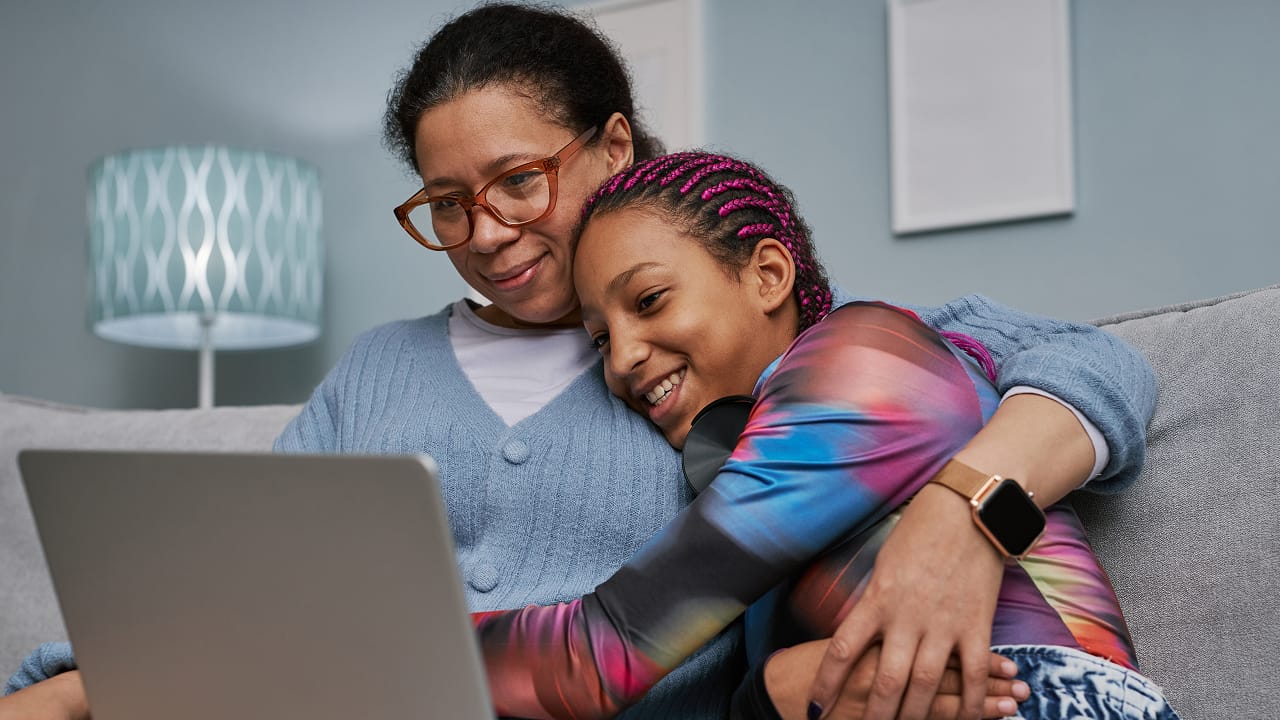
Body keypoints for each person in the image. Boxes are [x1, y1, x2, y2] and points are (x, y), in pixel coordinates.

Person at [0, 4, 1156, 719]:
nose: (489, 230)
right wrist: (81, 674)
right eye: (447, 205)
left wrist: (965, 514)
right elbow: (239, 582)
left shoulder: (787, 350)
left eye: (518, 180)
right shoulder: (381, 369)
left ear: (609, 146)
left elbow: (1084, 365)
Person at [459, 149, 1180, 720]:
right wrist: (776, 686)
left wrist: (378, 648)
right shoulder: (762, 462)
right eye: (599, 339)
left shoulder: (863, 361)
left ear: (768, 273)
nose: (621, 358)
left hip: (1050, 698)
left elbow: (596, 657)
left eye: (650, 301)